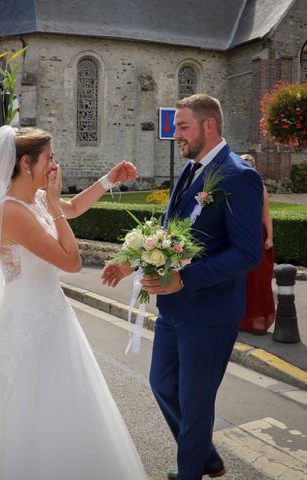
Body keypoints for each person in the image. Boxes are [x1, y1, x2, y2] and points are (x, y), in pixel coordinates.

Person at [0, 126, 146, 480]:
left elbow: (72, 207)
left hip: (50, 314)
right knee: (33, 414)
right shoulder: (11, 211)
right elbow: (71, 262)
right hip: (30, 323)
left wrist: (108, 179)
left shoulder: (32, 199)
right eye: (49, 158)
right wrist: (53, 205)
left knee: (67, 412)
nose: (55, 164)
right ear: (26, 162)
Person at [102, 94, 262, 480]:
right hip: (174, 309)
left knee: (195, 402)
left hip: (209, 312)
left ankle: (190, 472)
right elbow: (171, 230)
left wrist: (184, 278)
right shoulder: (190, 170)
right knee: (161, 385)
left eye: (183, 127)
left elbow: (248, 253)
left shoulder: (240, 175)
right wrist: (130, 261)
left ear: (209, 126)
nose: (176, 135)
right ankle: (206, 457)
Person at [239, 154, 275, 333]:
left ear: (254, 168)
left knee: (257, 280)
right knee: (239, 280)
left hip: (256, 236)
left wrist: (269, 238)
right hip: (237, 236)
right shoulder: (233, 186)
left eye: (249, 165)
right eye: (243, 164)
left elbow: (266, 214)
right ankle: (238, 320)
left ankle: (257, 322)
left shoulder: (260, 187)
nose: (246, 168)